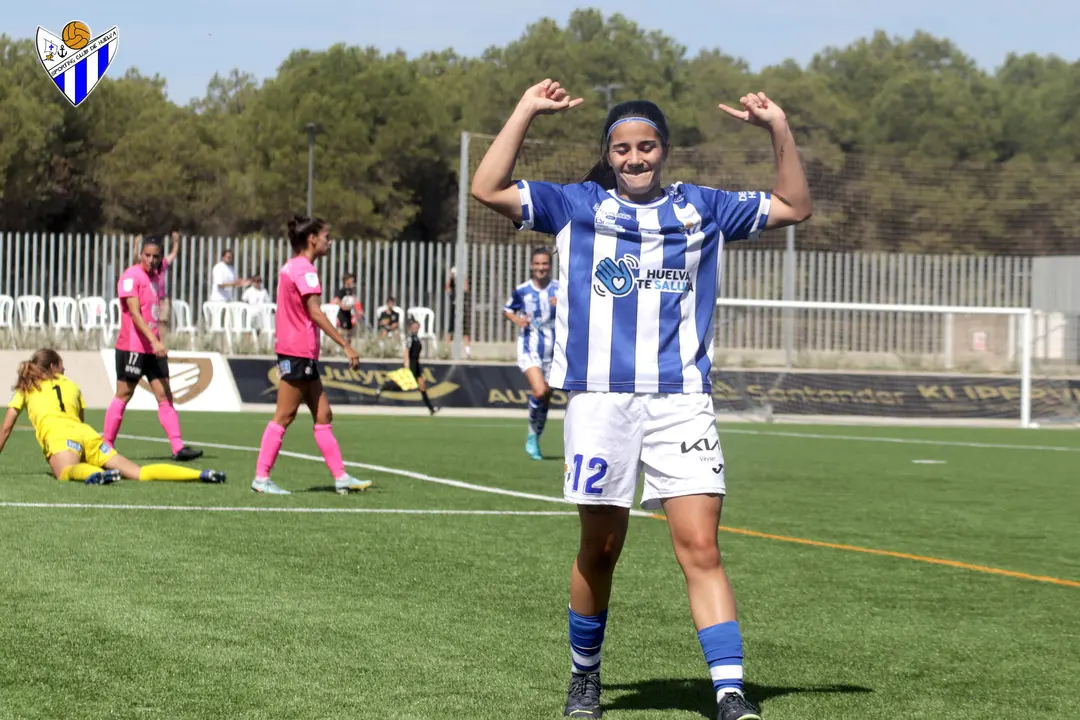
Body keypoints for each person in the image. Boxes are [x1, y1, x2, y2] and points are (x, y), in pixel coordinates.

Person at [470, 80, 812, 720]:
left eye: (647, 147)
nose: (635, 159)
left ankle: (730, 693)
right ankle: (585, 679)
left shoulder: (702, 207)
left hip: (681, 402)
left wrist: (778, 128)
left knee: (701, 549)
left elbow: (795, 204)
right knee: (600, 550)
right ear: (609, 153)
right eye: (623, 149)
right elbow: (487, 187)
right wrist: (524, 109)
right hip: (600, 403)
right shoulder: (574, 204)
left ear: (665, 150)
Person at [252, 215, 372, 496]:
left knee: (323, 414)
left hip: (298, 351)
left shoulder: (291, 267)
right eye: (326, 236)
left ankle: (341, 476)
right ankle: (261, 477)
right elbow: (315, 311)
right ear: (312, 239)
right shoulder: (305, 269)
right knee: (284, 415)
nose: (329, 241)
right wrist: (345, 343)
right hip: (297, 351)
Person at [0, 349, 226, 485]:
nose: (64, 371)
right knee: (140, 473)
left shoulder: (26, 387)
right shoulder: (72, 386)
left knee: (66, 473)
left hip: (60, 437)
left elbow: (6, 427)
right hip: (87, 434)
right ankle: (200, 474)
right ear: (52, 366)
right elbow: (80, 419)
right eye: (62, 367)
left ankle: (95, 474)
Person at [104, 236, 203, 462]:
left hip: (153, 349)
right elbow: (135, 313)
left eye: (155, 256)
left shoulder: (157, 275)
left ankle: (178, 447)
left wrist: (155, 343)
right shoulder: (130, 277)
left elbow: (170, 260)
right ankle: (106, 445)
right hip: (133, 347)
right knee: (124, 394)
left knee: (164, 395)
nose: (151, 259)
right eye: (147, 255)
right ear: (141, 254)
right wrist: (155, 340)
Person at [503, 247, 558, 460]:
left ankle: (535, 435)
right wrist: (518, 320)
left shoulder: (560, 289)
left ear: (549, 266)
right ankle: (532, 436)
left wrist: (563, 304)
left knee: (546, 397)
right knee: (539, 390)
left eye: (544, 264)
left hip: (554, 351)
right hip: (529, 347)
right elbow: (507, 309)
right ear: (531, 266)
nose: (541, 268)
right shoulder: (522, 290)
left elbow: (577, 310)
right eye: (537, 264)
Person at [374, 317, 439, 415]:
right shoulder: (411, 338)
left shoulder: (417, 338)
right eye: (413, 327)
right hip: (411, 363)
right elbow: (407, 350)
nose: (415, 328)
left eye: (417, 327)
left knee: (422, 386)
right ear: (411, 328)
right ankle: (383, 387)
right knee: (403, 384)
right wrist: (406, 362)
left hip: (416, 364)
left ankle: (431, 409)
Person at [132, 231, 181, 326]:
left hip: (162, 298)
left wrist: (176, 242)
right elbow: (136, 258)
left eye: (155, 256)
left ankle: (160, 341)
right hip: (148, 299)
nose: (152, 259)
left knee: (162, 323)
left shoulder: (163, 264)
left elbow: (173, 254)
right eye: (149, 255)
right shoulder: (145, 265)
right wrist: (136, 244)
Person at [444, 267, 472, 359]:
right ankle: (446, 351)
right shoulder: (452, 288)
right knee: (450, 331)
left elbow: (466, 289)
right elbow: (447, 288)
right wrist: (451, 277)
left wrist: (463, 277)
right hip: (453, 310)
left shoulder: (461, 288)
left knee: (465, 331)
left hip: (462, 311)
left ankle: (468, 352)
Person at [332, 274, 361, 347]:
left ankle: (349, 347)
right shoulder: (342, 290)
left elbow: (353, 301)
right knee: (341, 330)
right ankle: (338, 348)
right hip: (343, 314)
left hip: (349, 313)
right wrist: (343, 307)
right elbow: (337, 300)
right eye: (350, 279)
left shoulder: (351, 291)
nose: (352, 281)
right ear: (346, 281)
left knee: (350, 331)